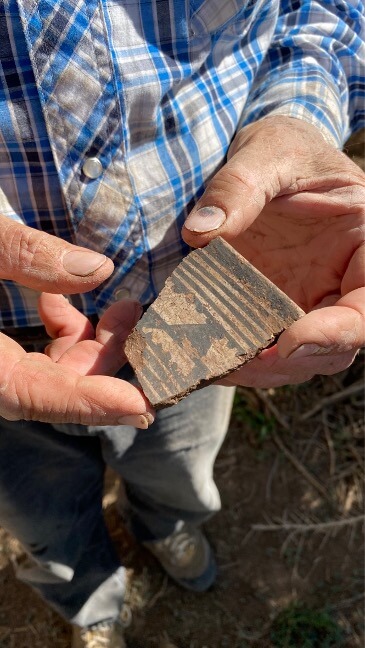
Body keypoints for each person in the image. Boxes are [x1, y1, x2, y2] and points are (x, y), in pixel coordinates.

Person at [0, 0, 364, 646]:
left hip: (198, 315)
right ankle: (86, 598)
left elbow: (321, 17)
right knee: (42, 510)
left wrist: (296, 121)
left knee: (180, 466)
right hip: (10, 336)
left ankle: (167, 525)